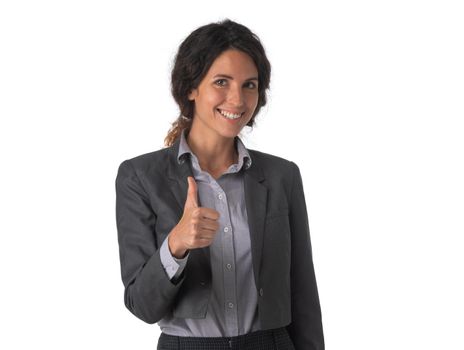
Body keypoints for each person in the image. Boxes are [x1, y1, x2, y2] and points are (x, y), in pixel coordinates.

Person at [115, 19, 324, 350]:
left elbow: (303, 294)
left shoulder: (282, 176)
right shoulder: (140, 177)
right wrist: (176, 244)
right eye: (222, 82)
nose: (237, 100)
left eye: (249, 85)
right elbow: (142, 305)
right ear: (191, 88)